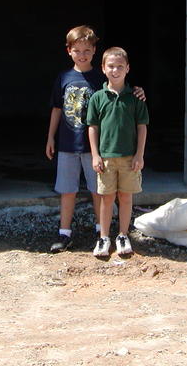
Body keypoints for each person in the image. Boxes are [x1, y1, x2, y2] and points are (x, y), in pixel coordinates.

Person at [46, 26, 144, 253]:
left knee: (99, 190)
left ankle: (102, 232)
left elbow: (123, 92)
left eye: (87, 50)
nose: (82, 55)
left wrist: (139, 91)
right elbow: (57, 109)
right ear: (68, 50)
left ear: (94, 51)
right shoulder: (63, 77)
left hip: (96, 147)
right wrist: (51, 137)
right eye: (77, 50)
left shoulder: (102, 76)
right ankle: (64, 233)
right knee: (67, 189)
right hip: (67, 144)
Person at [86, 47, 149, 257]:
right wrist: (95, 154)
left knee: (125, 197)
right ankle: (104, 237)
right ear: (103, 68)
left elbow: (142, 126)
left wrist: (140, 154)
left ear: (128, 68)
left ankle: (123, 235)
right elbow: (93, 127)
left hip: (130, 158)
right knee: (106, 197)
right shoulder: (97, 98)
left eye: (120, 66)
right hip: (106, 159)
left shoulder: (135, 98)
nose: (115, 70)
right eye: (111, 66)